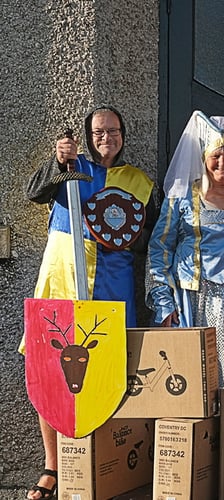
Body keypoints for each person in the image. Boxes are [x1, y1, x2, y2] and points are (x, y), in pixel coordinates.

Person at [22, 104, 157, 499]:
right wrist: (57, 161)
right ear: (87, 135)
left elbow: (148, 236)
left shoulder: (139, 180)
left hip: (112, 286)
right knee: (48, 368)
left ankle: (104, 461)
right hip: (62, 279)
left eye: (113, 131)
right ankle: (52, 466)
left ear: (123, 134)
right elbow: (34, 193)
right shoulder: (70, 165)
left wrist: (124, 236)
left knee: (112, 371)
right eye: (98, 132)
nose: (106, 138)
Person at [146, 111, 224, 389]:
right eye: (216, 155)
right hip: (192, 302)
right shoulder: (181, 199)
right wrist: (164, 305)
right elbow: (160, 250)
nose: (222, 163)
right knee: (192, 378)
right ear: (203, 159)